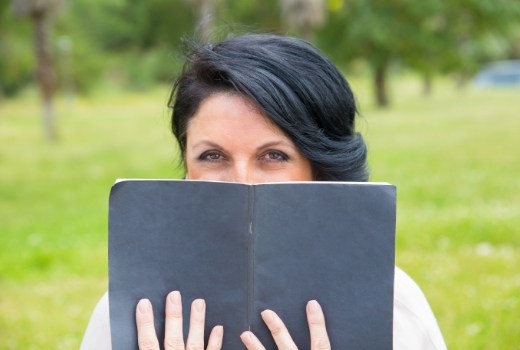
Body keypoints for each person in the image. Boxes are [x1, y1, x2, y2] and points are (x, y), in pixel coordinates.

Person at [80, 34, 447, 350]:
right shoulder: (129, 313)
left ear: (320, 169)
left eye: (274, 155)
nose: (242, 181)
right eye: (212, 156)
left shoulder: (393, 306)